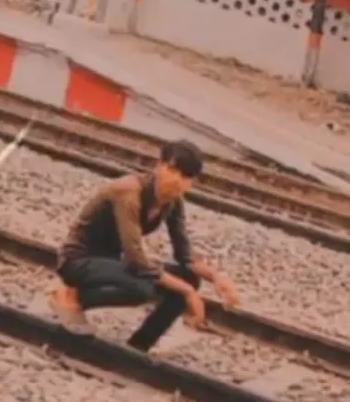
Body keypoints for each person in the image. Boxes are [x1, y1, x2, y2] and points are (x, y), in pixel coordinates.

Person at [51, 139, 239, 352]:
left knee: (189, 277)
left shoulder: (173, 203)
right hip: (78, 262)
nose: (176, 180)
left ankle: (139, 346)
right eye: (172, 170)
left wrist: (216, 278)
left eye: (185, 177)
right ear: (159, 165)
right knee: (143, 287)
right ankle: (70, 295)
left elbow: (184, 255)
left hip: (110, 263)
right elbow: (135, 258)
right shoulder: (128, 192)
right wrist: (187, 292)